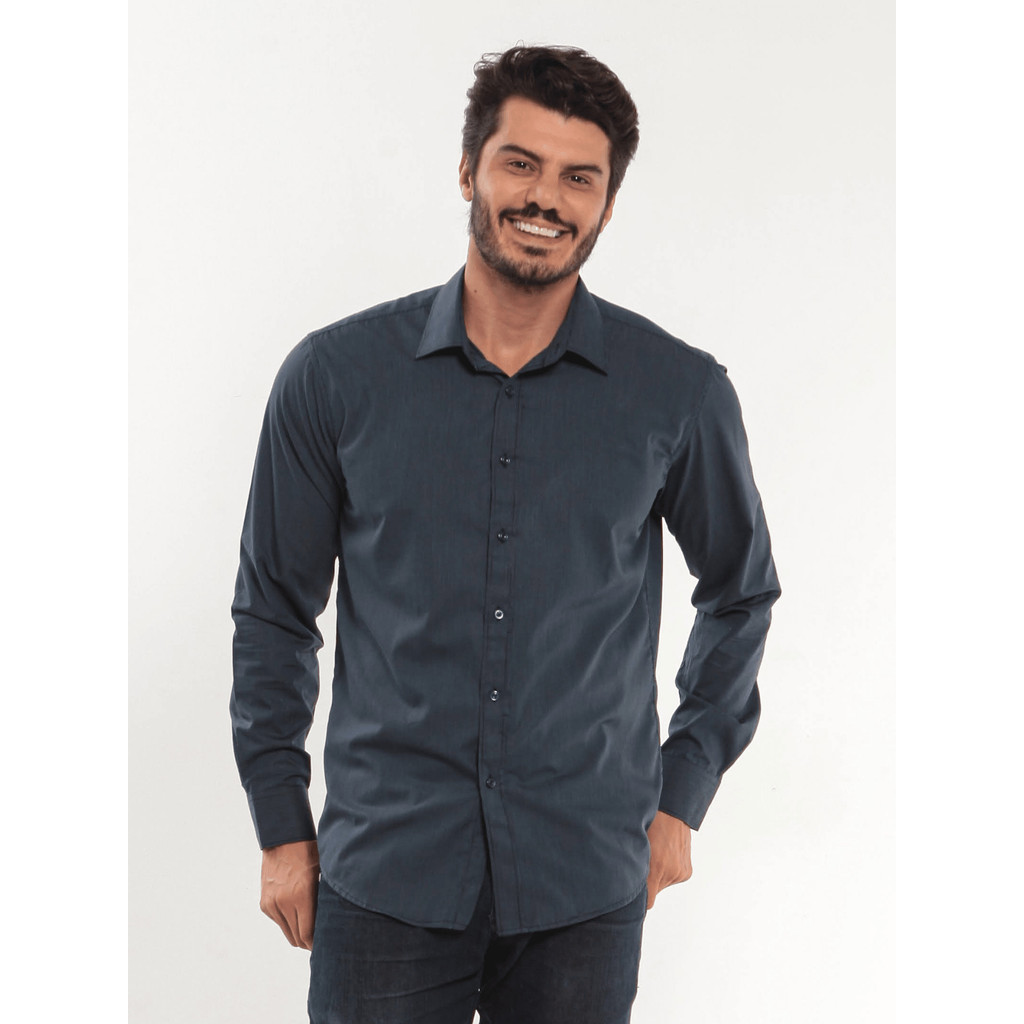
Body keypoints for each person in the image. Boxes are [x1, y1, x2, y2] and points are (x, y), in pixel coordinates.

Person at [230, 44, 780, 1024]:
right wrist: (281, 824)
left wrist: (682, 793)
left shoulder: (677, 391)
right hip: (387, 871)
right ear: (467, 170)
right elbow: (274, 610)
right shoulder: (336, 378)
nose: (546, 199)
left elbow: (740, 592)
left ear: (607, 202)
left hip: (584, 880)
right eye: (520, 163)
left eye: (579, 177)